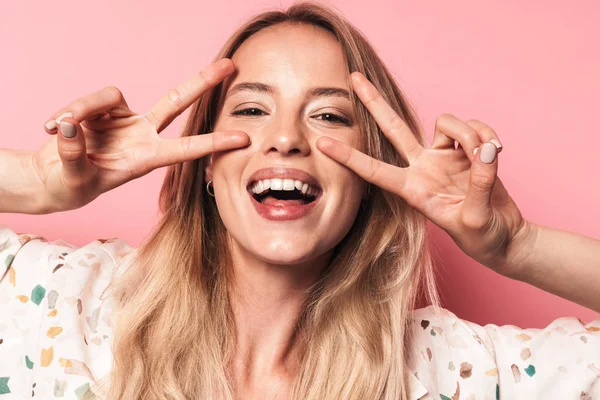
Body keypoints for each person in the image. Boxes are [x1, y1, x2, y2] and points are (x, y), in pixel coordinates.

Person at [0, 2, 599, 399]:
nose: (286, 138)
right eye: (253, 109)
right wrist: (36, 181)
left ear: (372, 176)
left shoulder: (449, 372)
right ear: (206, 164)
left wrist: (518, 246)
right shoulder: (69, 308)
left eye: (329, 116)